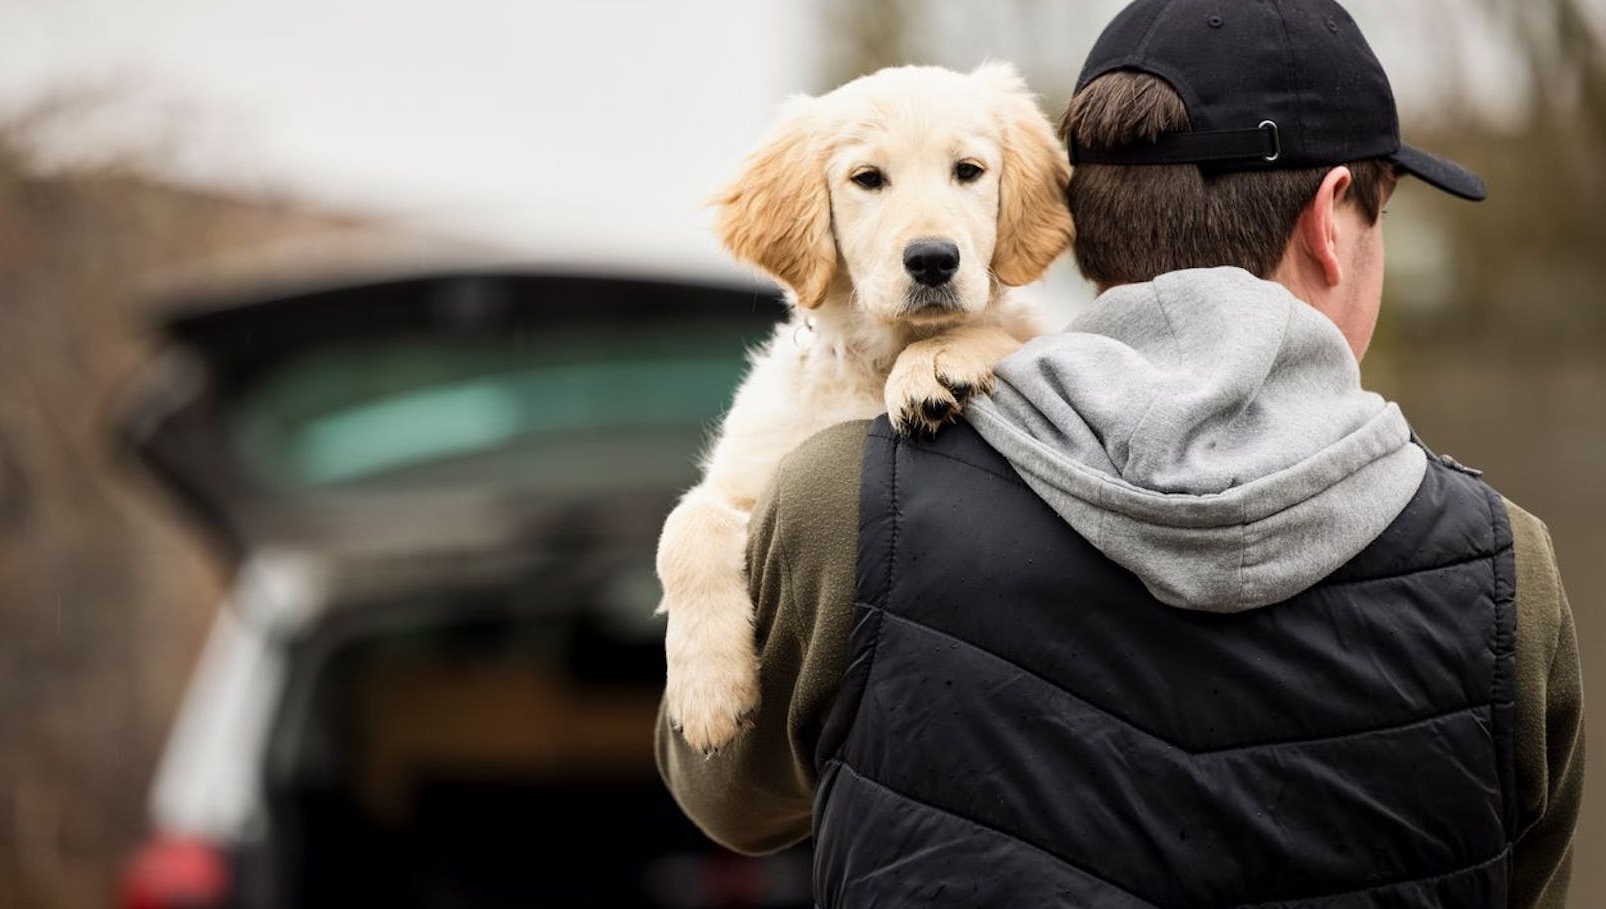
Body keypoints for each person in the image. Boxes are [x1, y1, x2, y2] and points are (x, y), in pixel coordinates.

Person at [655, 0, 1584, 905]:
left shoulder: (843, 500)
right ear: (1333, 218)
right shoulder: (1508, 570)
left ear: (1073, 220)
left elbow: (730, 795)